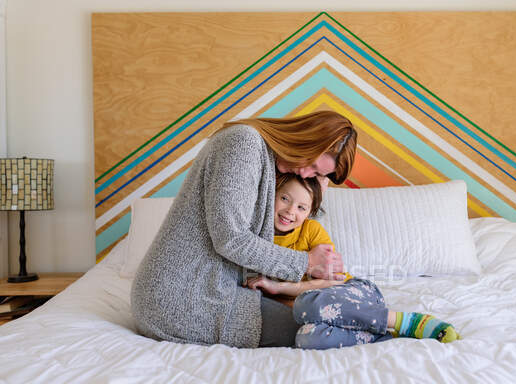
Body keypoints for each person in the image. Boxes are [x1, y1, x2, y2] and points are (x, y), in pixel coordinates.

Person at [131, 111, 357, 348]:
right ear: (302, 138)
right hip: (181, 296)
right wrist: (307, 263)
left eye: (316, 173)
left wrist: (319, 183)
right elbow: (231, 238)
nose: (304, 174)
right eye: (310, 164)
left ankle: (390, 324)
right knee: (324, 330)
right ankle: (391, 328)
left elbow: (299, 215)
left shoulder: (270, 162)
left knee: (332, 317)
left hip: (213, 290)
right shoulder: (243, 143)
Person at [245, 173, 461, 350]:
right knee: (306, 339)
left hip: (353, 293)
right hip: (321, 318)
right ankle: (381, 338)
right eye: (284, 199)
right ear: (271, 195)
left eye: (301, 207)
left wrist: (281, 287)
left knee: (306, 303)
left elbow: (333, 282)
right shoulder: (254, 238)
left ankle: (405, 321)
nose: (290, 211)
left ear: (310, 212)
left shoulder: (311, 230)